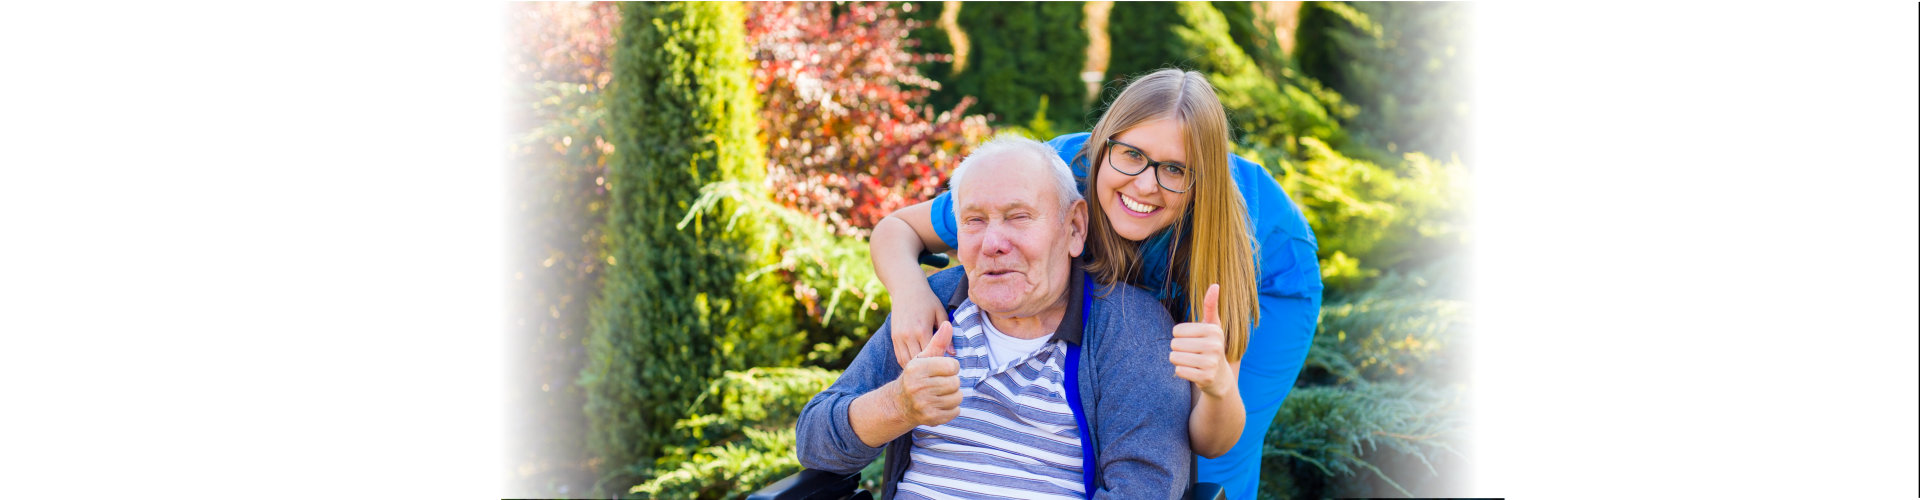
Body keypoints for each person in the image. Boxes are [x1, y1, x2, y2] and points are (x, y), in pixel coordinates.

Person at [867, 68, 1323, 500]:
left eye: (1176, 169)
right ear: (1103, 145)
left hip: (1273, 282)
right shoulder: (1052, 180)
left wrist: (1218, 386)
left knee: (1205, 459)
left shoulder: (1226, 240)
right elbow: (897, 231)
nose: (1144, 185)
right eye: (1131, 155)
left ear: (1197, 182)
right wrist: (910, 294)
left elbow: (1213, 440)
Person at [797, 135, 1193, 499]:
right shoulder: (936, 306)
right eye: (974, 221)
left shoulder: (1131, 329)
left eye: (1018, 217)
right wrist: (899, 406)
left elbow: (1146, 490)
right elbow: (815, 444)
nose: (992, 244)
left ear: (1074, 227)